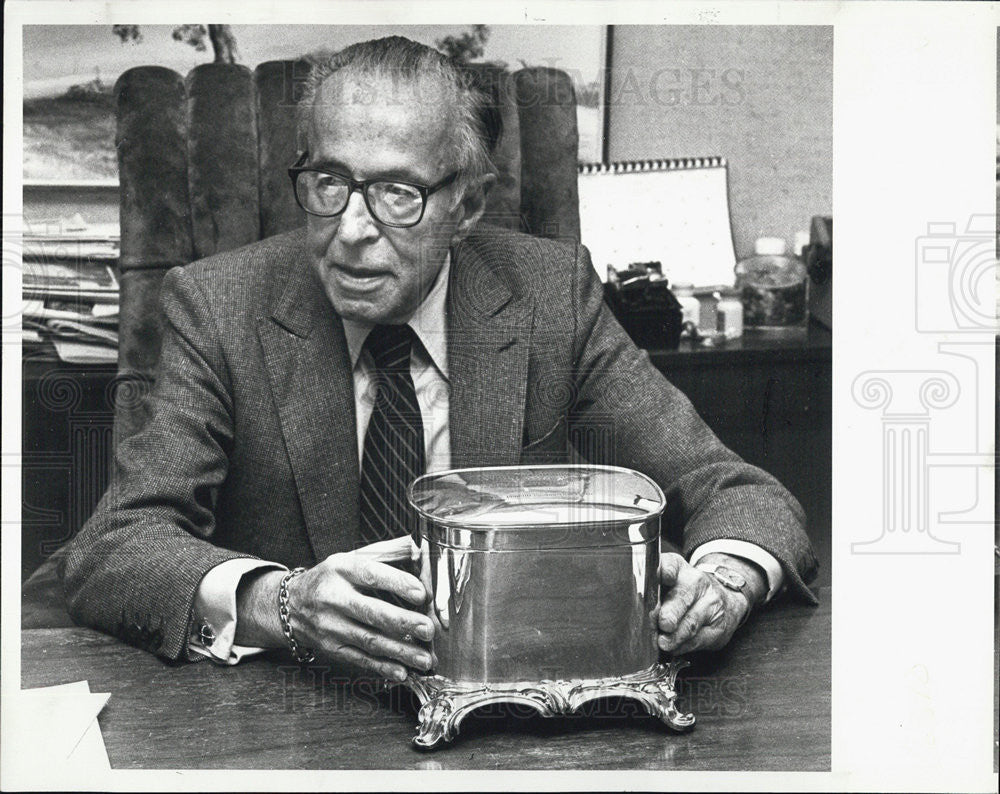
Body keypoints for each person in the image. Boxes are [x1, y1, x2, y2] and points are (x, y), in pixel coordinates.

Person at [60, 36, 818, 681]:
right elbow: (115, 549)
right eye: (328, 182)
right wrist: (282, 603)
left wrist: (721, 587)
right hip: (288, 713)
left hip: (514, 705)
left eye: (396, 192)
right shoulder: (216, 305)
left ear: (469, 205)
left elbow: (739, 493)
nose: (352, 229)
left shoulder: (551, 297)